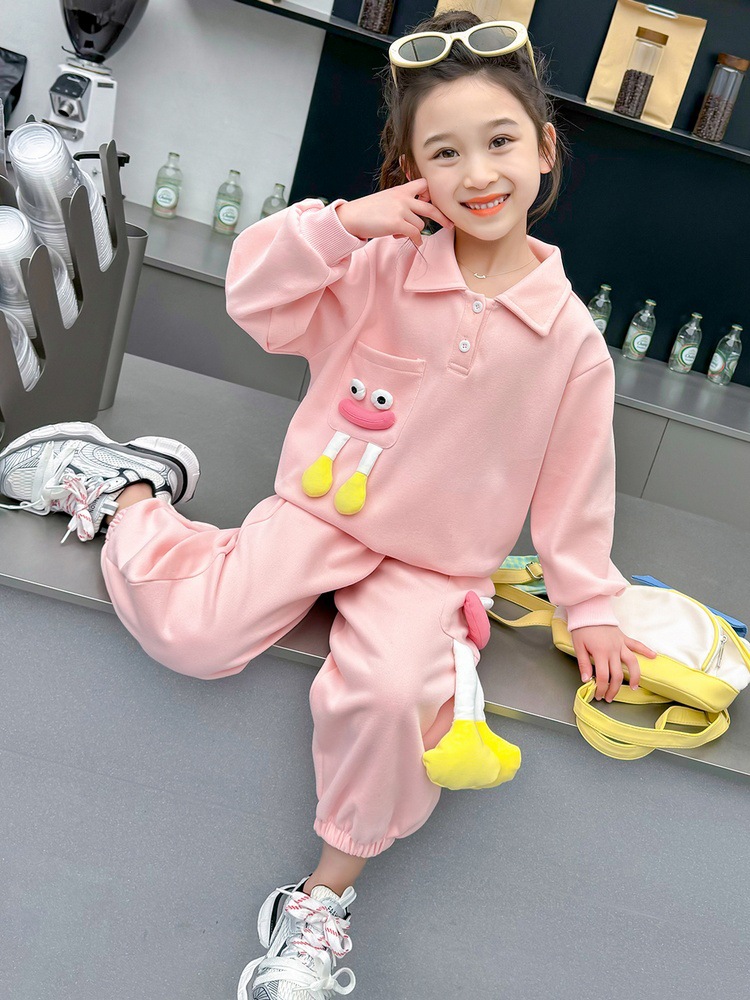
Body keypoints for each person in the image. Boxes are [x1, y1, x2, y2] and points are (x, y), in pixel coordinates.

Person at [0, 10, 658, 999]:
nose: (478, 172)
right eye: (445, 151)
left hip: (433, 568)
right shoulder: (375, 264)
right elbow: (256, 300)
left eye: (500, 141)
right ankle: (126, 488)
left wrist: (592, 604)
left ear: (544, 148)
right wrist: (342, 225)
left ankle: (317, 907)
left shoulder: (569, 341)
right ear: (412, 170)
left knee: (394, 698)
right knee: (194, 633)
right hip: (317, 518)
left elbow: (576, 488)